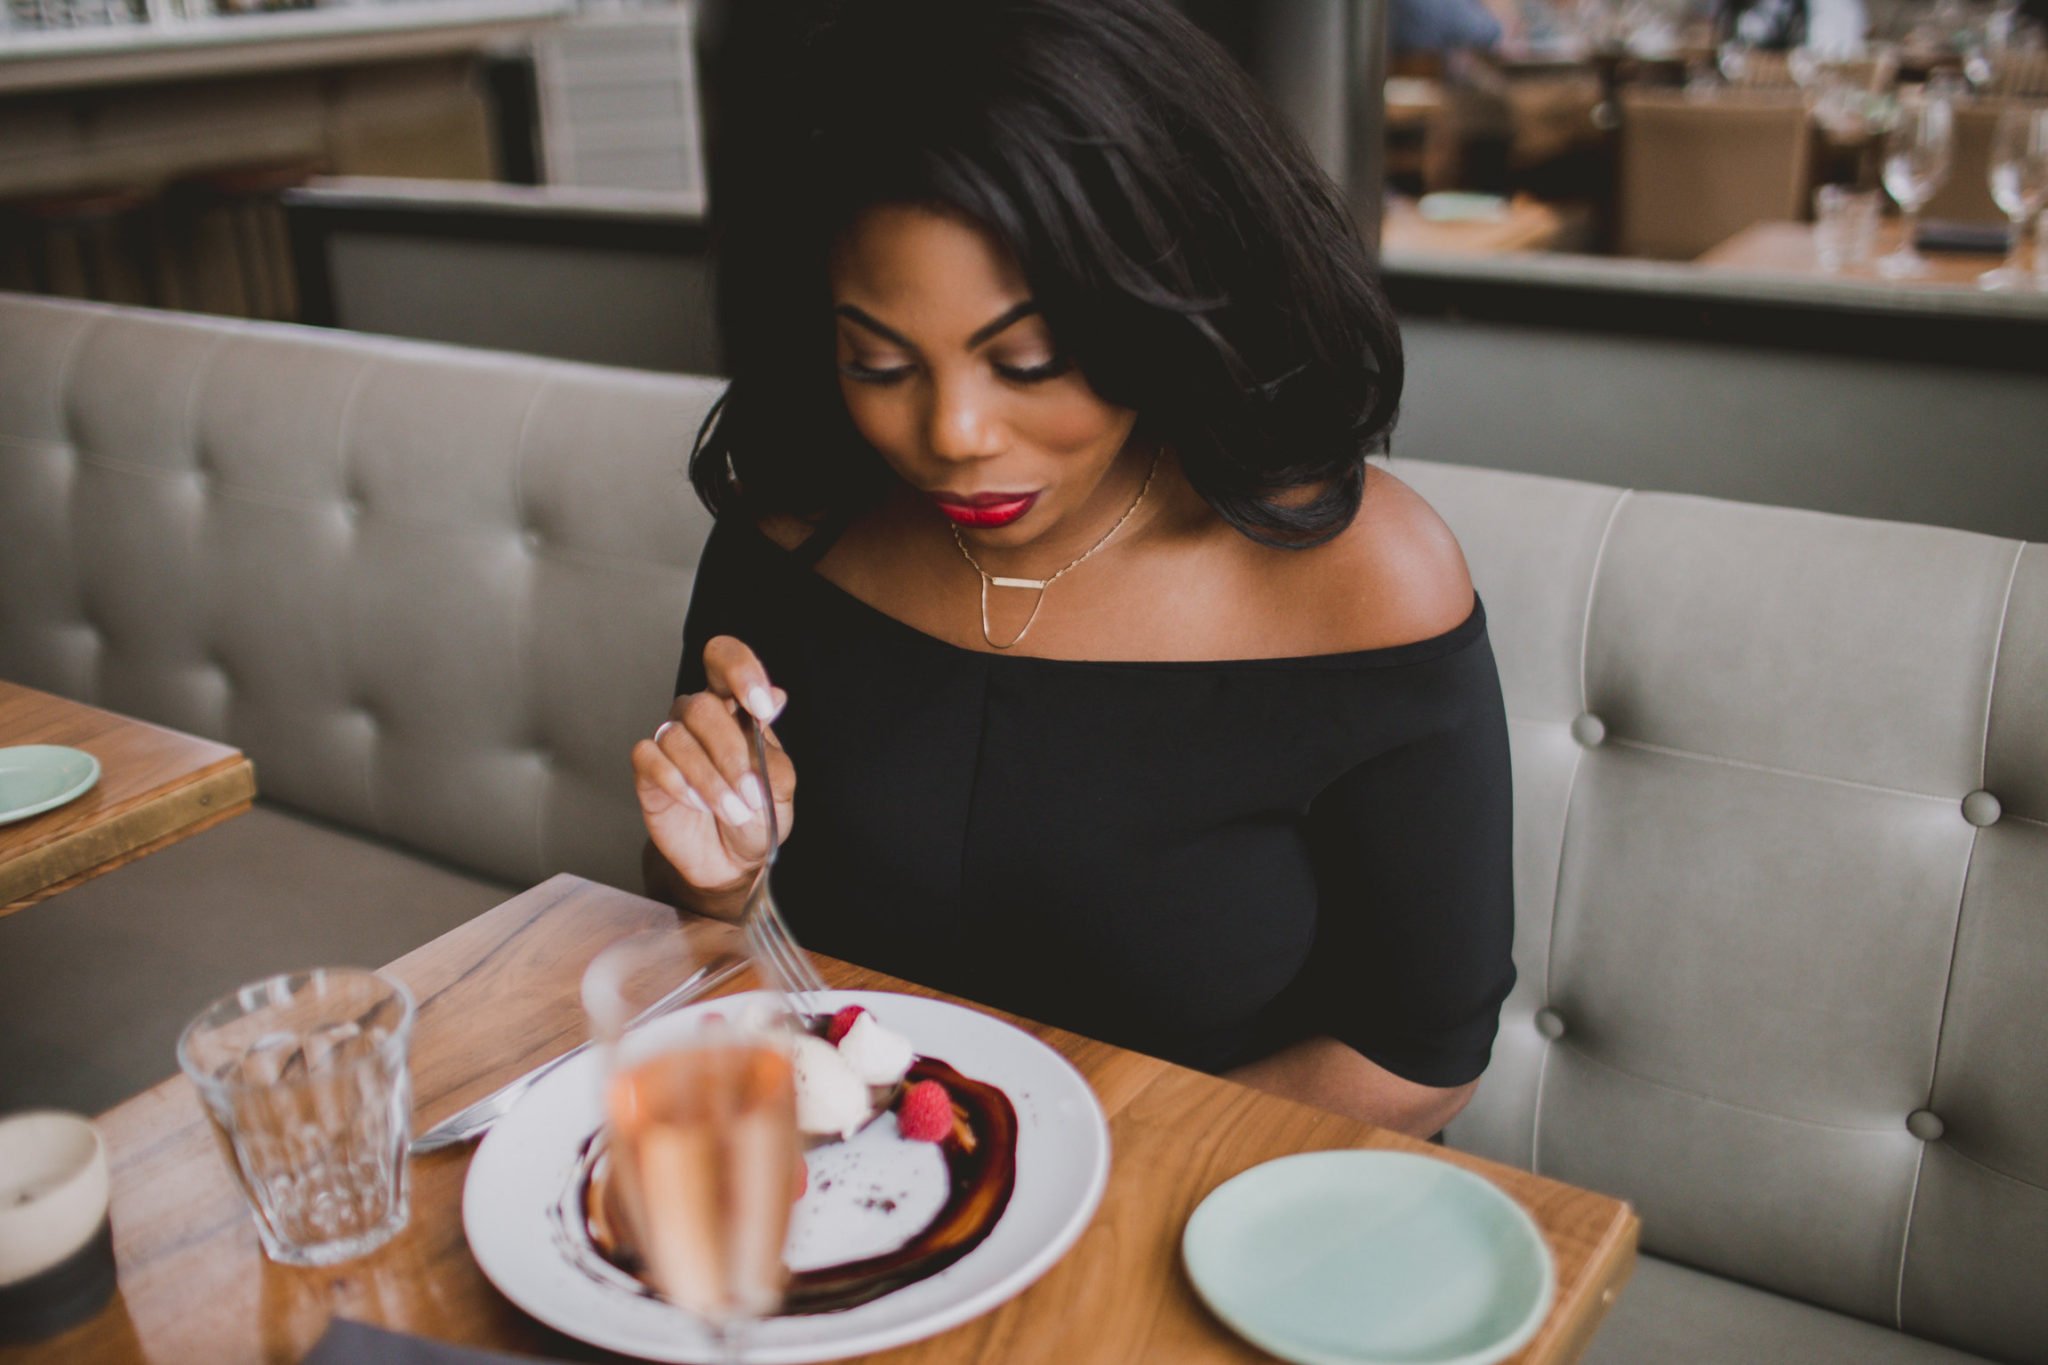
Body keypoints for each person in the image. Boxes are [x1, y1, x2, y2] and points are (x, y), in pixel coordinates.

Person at [633, 0, 1515, 1140]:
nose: (953, 433)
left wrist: (1040, 1170)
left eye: (1030, 359)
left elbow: (1417, 1056)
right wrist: (718, 882)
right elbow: (719, 944)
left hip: (1216, 1195)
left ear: (1164, 298)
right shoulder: (800, 511)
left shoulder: (1360, 577)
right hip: (882, 1190)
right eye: (879, 361)